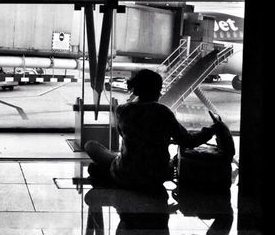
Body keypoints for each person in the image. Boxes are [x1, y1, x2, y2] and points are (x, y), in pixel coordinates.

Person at [84, 68, 222, 193]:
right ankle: (104, 171)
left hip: (126, 172)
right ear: (156, 90)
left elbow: (125, 135)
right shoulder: (164, 112)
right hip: (155, 177)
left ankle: (104, 172)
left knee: (90, 146)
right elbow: (189, 141)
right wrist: (211, 130)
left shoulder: (122, 110)